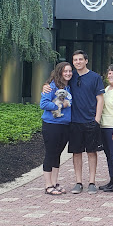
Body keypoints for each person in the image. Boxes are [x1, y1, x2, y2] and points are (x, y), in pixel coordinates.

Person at [43, 50, 105, 194]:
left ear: (86, 61)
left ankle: (92, 182)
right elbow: (56, 80)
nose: (78, 62)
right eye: (75, 60)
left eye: (80, 59)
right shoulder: (71, 76)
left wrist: (97, 119)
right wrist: (45, 85)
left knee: (91, 152)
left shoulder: (95, 77)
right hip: (74, 122)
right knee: (76, 153)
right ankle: (78, 182)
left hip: (90, 120)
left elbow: (100, 99)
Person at [40, 62, 73, 195]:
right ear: (59, 72)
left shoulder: (68, 87)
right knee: (50, 153)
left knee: (57, 154)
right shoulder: (51, 87)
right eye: (65, 71)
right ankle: (48, 185)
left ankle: (54, 183)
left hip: (65, 125)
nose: (68, 74)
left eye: (70, 71)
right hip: (51, 125)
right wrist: (60, 106)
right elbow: (43, 104)